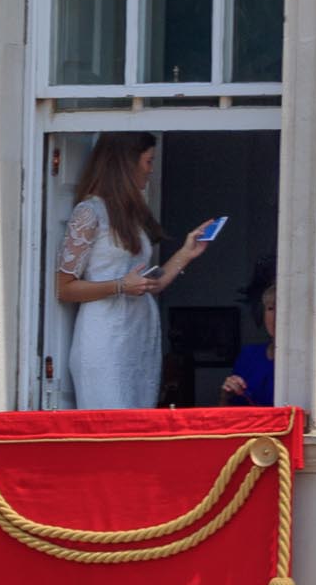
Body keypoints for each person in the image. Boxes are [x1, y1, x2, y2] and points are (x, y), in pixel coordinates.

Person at [56, 132, 213, 410]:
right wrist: (119, 286)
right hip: (105, 338)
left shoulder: (132, 214)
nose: (151, 169)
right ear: (126, 163)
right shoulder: (90, 212)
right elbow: (65, 287)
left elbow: (149, 284)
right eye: (148, 161)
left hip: (138, 336)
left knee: (139, 426)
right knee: (109, 427)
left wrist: (186, 253)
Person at [222, 284, 276, 407]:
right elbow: (227, 412)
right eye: (270, 308)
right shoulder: (249, 354)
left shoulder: (301, 360)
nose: (277, 316)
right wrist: (226, 394)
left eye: (283, 309)